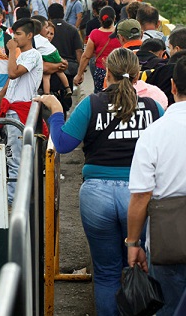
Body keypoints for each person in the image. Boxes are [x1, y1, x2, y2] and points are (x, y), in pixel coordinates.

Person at [36, 48, 163, 316]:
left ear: (107, 74)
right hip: (140, 196)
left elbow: (63, 144)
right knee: (139, 264)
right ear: (138, 75)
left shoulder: (91, 104)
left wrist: (57, 111)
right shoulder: (153, 108)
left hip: (96, 196)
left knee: (106, 273)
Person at [127, 57, 186, 316]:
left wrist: (133, 244)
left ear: (172, 86)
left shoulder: (154, 133)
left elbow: (141, 197)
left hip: (168, 239)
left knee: (169, 307)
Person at [0, 18, 43, 205]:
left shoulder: (32, 55)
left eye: (18, 34)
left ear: (29, 35)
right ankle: (17, 198)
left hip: (21, 112)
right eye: (13, 34)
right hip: (14, 110)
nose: (15, 38)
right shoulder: (22, 55)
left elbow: (12, 73)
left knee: (16, 159)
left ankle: (13, 202)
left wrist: (10, 51)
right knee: (14, 157)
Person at [74, 6, 121, 93]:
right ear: (114, 18)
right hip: (118, 71)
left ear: (100, 19)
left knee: (100, 97)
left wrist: (79, 74)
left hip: (101, 71)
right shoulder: (120, 34)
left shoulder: (95, 34)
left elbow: (86, 56)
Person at [48, 3, 82, 113]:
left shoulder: (46, 30)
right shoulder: (72, 29)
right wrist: (81, 71)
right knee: (66, 97)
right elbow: (78, 51)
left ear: (49, 15)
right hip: (69, 68)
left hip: (50, 68)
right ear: (63, 14)